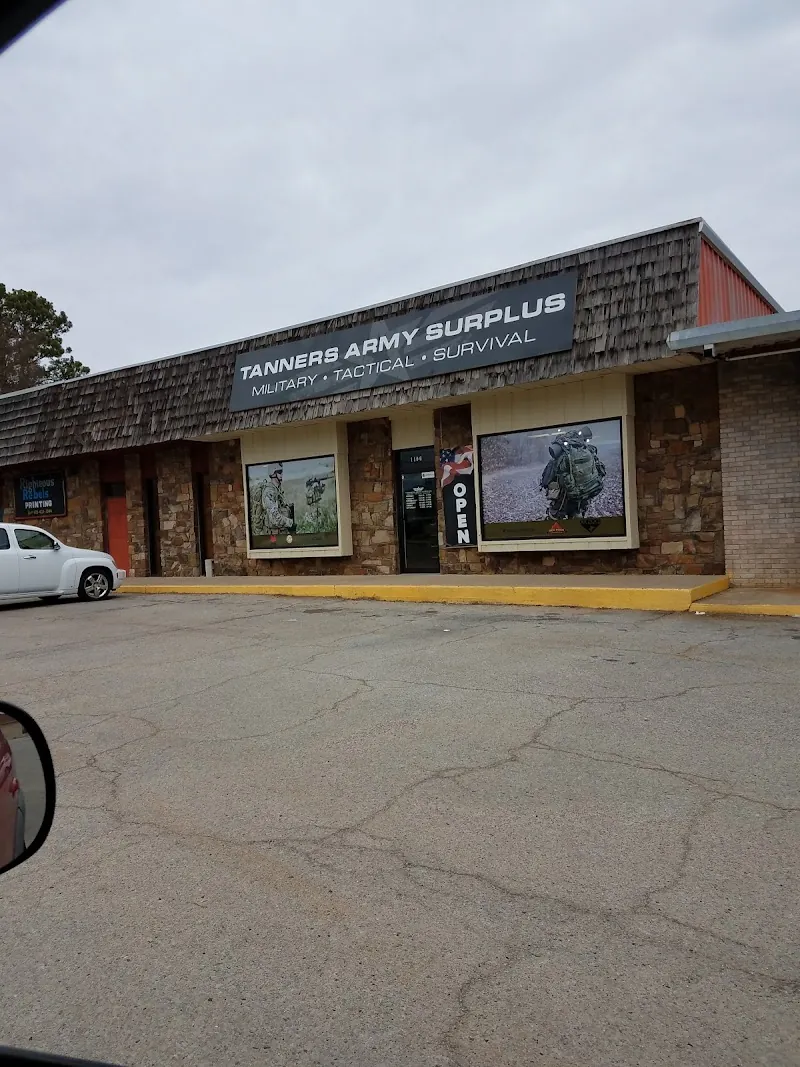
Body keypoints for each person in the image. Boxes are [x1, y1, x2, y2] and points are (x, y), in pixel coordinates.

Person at [540, 425, 606, 520]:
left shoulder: (562, 456)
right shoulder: (588, 450)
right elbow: (601, 470)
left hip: (564, 497)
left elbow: (548, 479)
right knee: (577, 516)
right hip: (583, 495)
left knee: (555, 518)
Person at [251, 465, 295, 535]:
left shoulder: (277, 489)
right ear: (273, 474)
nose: (282, 474)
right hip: (273, 534)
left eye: (282, 472)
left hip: (280, 531)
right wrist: (290, 523)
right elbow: (274, 518)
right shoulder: (269, 492)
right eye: (280, 472)